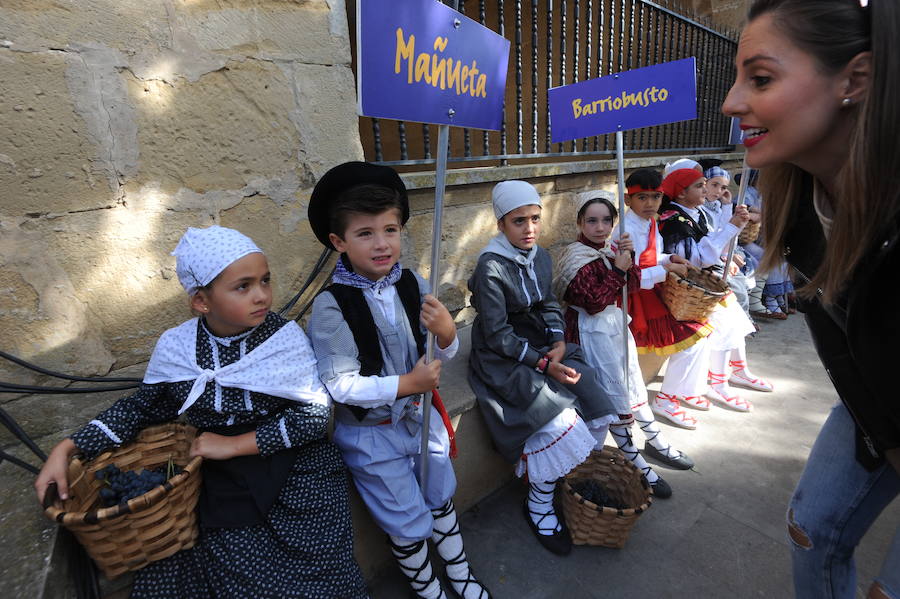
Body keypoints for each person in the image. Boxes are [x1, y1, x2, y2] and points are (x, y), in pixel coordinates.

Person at [33, 226, 368, 598]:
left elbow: (314, 417)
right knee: (233, 572)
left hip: (295, 465)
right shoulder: (179, 347)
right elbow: (141, 408)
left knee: (321, 566)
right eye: (243, 286)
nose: (262, 295)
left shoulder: (282, 337)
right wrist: (67, 448)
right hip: (227, 476)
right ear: (201, 302)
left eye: (265, 280)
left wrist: (234, 444)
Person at [723, 1, 900, 597]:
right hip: (870, 407)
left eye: (761, 78)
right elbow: (843, 350)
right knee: (810, 529)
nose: (731, 102)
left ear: (854, 80)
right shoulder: (797, 205)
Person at [306, 162, 489, 599]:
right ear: (339, 241)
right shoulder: (332, 306)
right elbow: (340, 385)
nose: (382, 243)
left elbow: (437, 354)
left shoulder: (411, 282)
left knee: (439, 492)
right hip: (372, 436)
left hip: (420, 419)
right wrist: (407, 383)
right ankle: (429, 589)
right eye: (365, 233)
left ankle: (459, 572)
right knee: (404, 518)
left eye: (391, 229)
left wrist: (445, 333)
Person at [467, 180, 622, 556]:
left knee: (596, 401)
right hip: (502, 356)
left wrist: (556, 341)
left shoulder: (539, 256)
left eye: (535, 219)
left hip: (541, 344)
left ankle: (559, 483)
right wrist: (542, 363)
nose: (530, 229)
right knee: (558, 422)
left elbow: (550, 303)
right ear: (501, 224)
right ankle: (538, 504)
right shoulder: (491, 268)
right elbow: (499, 334)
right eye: (519, 221)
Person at [553, 192, 694, 490]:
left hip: (614, 329)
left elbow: (631, 285)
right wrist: (618, 268)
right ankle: (624, 459)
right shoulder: (575, 255)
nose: (600, 227)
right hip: (588, 333)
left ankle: (648, 442)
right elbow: (592, 301)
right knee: (607, 397)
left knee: (628, 386)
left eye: (606, 220)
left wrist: (631, 263)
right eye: (592, 220)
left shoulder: (610, 250)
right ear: (580, 222)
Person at [658, 166, 772, 412]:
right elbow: (694, 262)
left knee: (735, 317)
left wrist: (733, 221)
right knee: (724, 320)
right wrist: (731, 227)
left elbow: (716, 243)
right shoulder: (674, 220)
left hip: (703, 285)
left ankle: (735, 372)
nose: (706, 189)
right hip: (685, 291)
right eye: (700, 185)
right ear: (680, 193)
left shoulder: (695, 212)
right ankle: (718, 384)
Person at [610, 168, 714, 430]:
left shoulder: (652, 222)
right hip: (631, 297)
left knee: (696, 334)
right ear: (627, 200)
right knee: (686, 339)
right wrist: (666, 269)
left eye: (655, 197)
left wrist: (669, 258)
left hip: (650, 290)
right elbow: (630, 276)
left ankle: (673, 395)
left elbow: (651, 256)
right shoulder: (624, 231)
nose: (650, 204)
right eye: (642, 197)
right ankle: (664, 400)